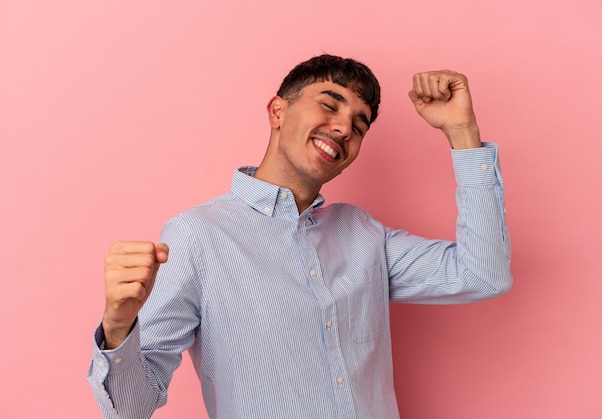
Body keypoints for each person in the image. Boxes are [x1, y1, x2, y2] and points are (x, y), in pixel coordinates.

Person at [88, 54, 512, 418]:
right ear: (277, 111)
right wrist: (119, 325)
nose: (344, 127)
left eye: (359, 125)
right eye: (330, 105)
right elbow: (131, 408)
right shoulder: (197, 236)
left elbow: (483, 274)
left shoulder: (364, 234)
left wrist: (462, 133)